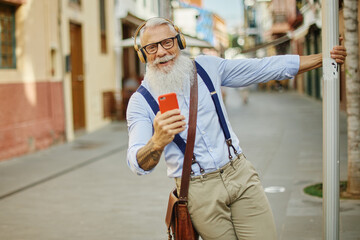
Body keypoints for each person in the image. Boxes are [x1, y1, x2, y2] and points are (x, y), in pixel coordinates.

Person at [126, 17, 347, 240]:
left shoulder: (206, 67)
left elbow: (264, 68)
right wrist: (157, 141)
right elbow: (138, 163)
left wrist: (321, 58)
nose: (162, 52)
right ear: (143, 53)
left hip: (239, 173)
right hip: (199, 190)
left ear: (180, 42)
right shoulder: (141, 102)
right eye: (152, 47)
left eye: (167, 42)